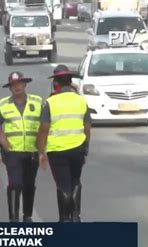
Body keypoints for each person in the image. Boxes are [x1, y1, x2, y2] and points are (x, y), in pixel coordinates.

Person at [36, 65, 92, 223]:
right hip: (77, 148)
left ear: (56, 84)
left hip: (57, 150)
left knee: (62, 184)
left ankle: (64, 218)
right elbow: (87, 127)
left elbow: (44, 129)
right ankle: (75, 216)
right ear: (71, 83)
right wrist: (86, 148)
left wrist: (41, 152)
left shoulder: (50, 103)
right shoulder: (81, 100)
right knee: (75, 180)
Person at [0, 72, 42, 222]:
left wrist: (42, 148)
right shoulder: (4, 104)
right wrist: (2, 138)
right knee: (15, 183)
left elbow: (45, 124)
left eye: (20, 84)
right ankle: (13, 218)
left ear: (25, 85)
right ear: (10, 88)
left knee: (29, 185)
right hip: (12, 151)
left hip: (32, 150)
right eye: (14, 85)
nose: (17, 87)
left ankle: (27, 216)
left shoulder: (38, 102)